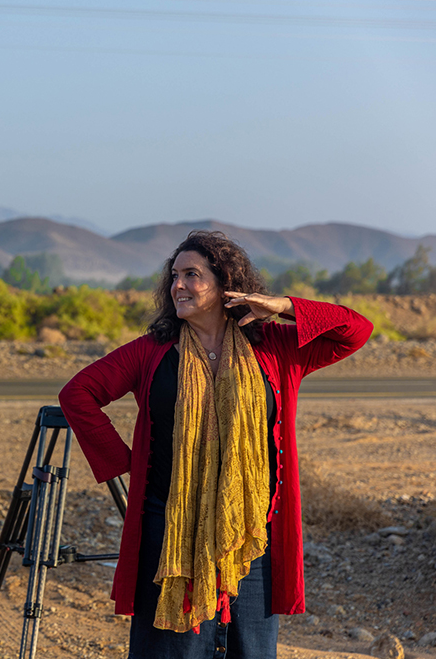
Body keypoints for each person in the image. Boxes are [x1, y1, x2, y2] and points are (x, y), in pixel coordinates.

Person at [58, 231, 372, 658]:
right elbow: (78, 394)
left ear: (227, 283)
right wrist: (129, 462)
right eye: (174, 276)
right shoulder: (152, 351)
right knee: (172, 650)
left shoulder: (275, 348)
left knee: (252, 651)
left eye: (192, 275)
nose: (178, 286)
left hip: (251, 534)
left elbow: (355, 330)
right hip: (171, 529)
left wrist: (284, 307)